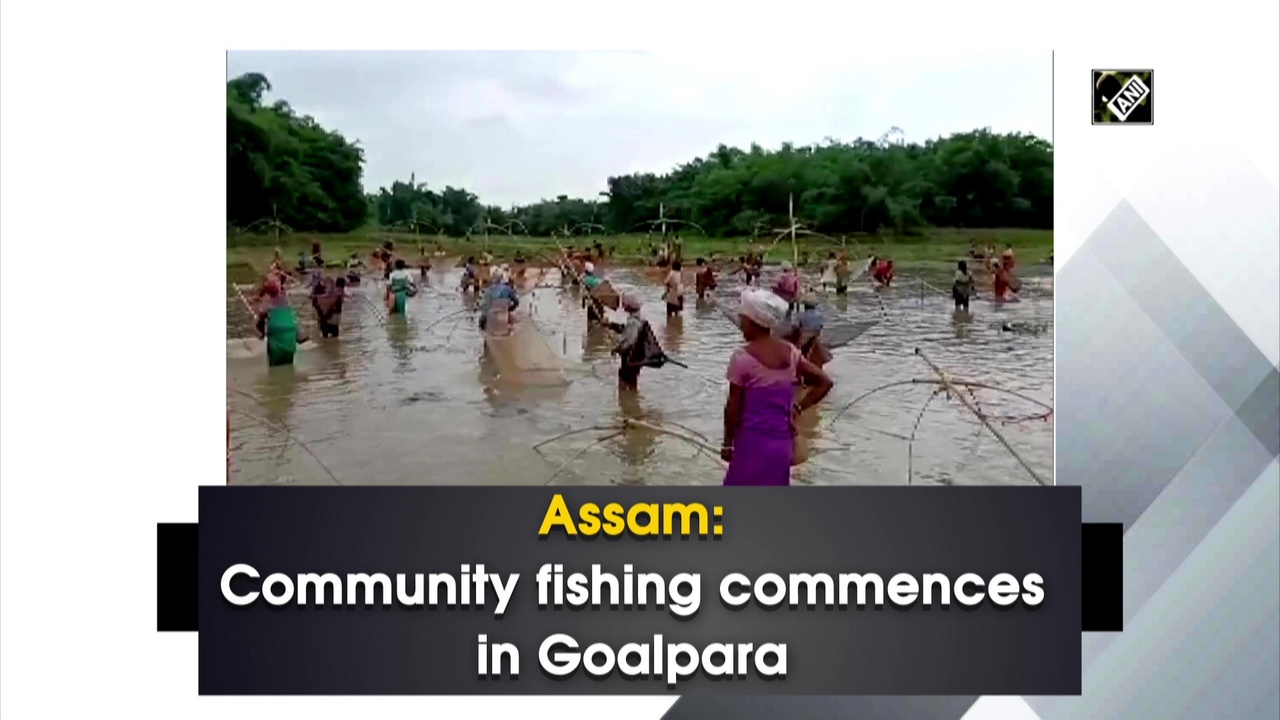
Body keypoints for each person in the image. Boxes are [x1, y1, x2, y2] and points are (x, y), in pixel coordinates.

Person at [721, 289, 834, 486]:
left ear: (753, 322)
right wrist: (798, 407)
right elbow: (824, 382)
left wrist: (727, 444)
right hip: (782, 443)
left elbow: (733, 408)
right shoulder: (791, 352)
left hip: (750, 442)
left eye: (742, 319)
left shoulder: (742, 358)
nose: (740, 324)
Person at [609, 294, 665, 390]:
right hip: (637, 356)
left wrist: (617, 349)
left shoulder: (632, 322)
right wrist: (612, 325)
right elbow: (627, 330)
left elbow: (629, 341)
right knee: (632, 379)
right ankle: (633, 399)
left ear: (629, 307)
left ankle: (624, 402)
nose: (622, 305)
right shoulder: (640, 319)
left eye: (624, 304)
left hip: (630, 356)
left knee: (624, 379)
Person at [256, 280, 305, 367]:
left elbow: (260, 323)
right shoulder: (285, 301)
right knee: (289, 364)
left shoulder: (267, 304)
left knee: (274, 365)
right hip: (290, 333)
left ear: (267, 295)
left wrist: (262, 333)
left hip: (277, 334)